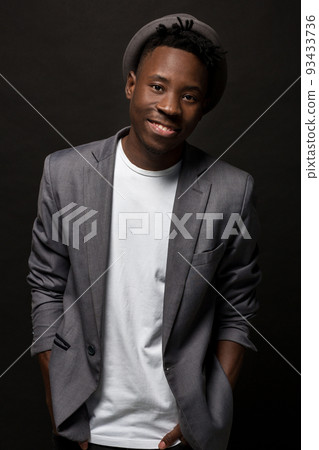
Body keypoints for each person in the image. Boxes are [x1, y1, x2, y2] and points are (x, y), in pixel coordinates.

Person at [27, 13, 261, 450]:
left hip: (178, 436)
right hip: (86, 429)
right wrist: (59, 396)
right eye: (158, 86)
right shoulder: (65, 175)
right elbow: (46, 286)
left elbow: (238, 311)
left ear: (204, 105)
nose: (171, 107)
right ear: (132, 84)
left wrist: (208, 417)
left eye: (189, 95)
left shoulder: (231, 191)